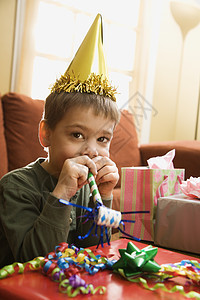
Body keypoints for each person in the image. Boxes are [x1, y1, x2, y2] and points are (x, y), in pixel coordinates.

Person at [0, 14, 120, 268]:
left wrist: (106, 196)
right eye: (77, 135)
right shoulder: (16, 187)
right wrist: (62, 194)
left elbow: (96, 249)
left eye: (102, 138)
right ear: (46, 134)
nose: (91, 149)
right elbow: (35, 261)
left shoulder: (88, 186)